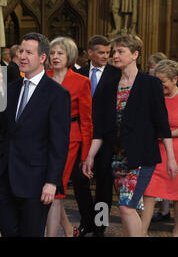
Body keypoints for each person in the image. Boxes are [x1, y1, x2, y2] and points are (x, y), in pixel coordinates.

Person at [82, 35, 176, 237]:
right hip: (114, 158)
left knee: (126, 207)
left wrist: (171, 158)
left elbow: (162, 124)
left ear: (135, 55)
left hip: (141, 157)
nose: (114, 56)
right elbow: (100, 128)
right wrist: (90, 156)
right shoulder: (108, 85)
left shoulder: (150, 84)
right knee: (127, 210)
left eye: (120, 51)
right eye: (113, 52)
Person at [0, 32, 71, 237]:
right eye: (20, 52)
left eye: (28, 52)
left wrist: (52, 182)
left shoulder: (57, 94)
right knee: (8, 232)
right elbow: (5, 134)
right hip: (5, 179)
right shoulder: (11, 89)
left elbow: (59, 143)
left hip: (36, 182)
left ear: (42, 58)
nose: (22, 56)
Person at [71, 34, 121, 236]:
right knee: (79, 180)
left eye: (108, 53)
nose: (105, 56)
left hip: (107, 138)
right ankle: (86, 221)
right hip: (83, 136)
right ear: (90, 52)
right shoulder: (79, 73)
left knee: (103, 184)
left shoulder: (116, 74)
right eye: (101, 52)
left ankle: (100, 226)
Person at [44, 37, 93, 237]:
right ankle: (67, 227)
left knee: (55, 190)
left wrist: (86, 155)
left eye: (60, 53)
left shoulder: (82, 82)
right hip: (42, 137)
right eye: (52, 53)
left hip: (70, 139)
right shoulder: (43, 76)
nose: (55, 57)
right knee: (48, 188)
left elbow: (87, 121)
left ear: (69, 56)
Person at [141, 59, 178, 236]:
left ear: (175, 79)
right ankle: (140, 231)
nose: (159, 85)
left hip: (176, 152)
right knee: (148, 193)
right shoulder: (154, 98)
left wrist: (166, 133)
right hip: (155, 152)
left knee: (177, 196)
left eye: (163, 81)